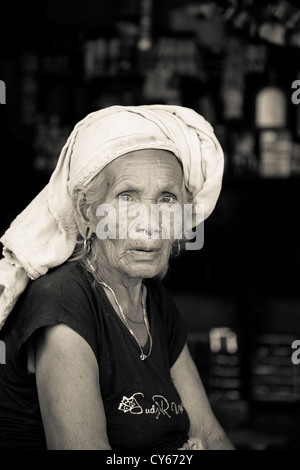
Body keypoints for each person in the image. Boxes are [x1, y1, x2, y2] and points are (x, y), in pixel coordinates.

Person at [0, 105, 235, 450]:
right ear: (86, 214)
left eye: (166, 199)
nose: (149, 222)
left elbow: (211, 435)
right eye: (127, 197)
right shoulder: (64, 302)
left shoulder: (151, 300)